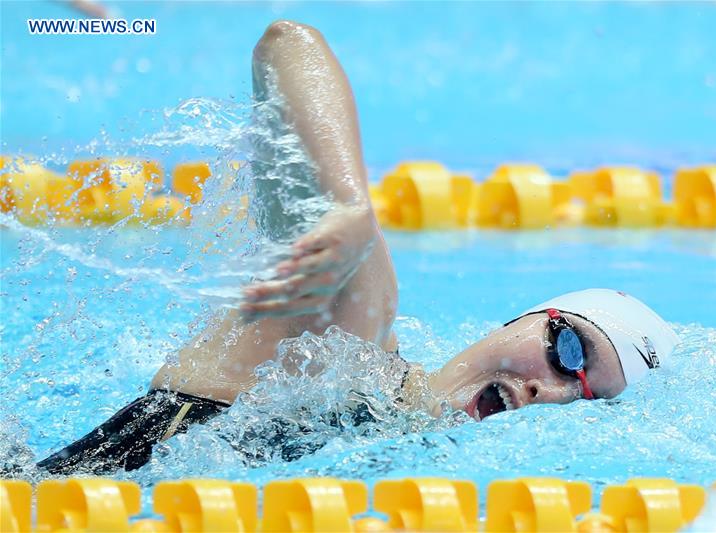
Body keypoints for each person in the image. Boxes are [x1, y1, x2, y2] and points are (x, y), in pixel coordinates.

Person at [35, 21, 679, 475]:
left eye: (589, 399)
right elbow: (288, 46)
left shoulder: (409, 465)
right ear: (522, 319)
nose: (553, 393)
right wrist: (348, 207)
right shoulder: (346, 338)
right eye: (569, 351)